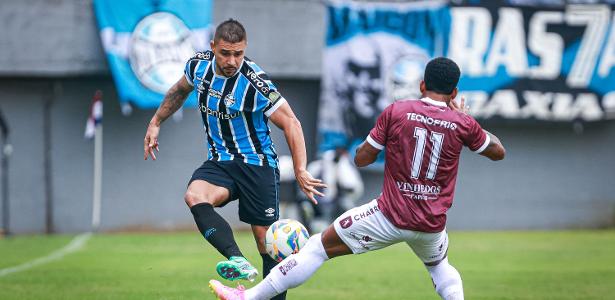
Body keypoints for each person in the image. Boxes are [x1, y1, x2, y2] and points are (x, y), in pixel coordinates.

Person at [209, 57, 506, 300]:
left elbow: (362, 158)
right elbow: (497, 152)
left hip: (389, 216)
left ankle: (246, 298)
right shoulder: (462, 123)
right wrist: (468, 122)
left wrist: (387, 140)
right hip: (431, 225)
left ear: (422, 85)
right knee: (440, 266)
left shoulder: (398, 111)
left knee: (317, 248)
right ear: (454, 93)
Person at [143, 19, 325, 300]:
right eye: (225, 53)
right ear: (212, 47)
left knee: (268, 244)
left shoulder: (255, 82)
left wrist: (300, 169)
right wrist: (156, 122)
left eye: (238, 54)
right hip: (221, 161)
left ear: (245, 49)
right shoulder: (198, 66)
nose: (232, 60)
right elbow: (179, 91)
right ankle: (237, 259)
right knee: (194, 196)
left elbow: (291, 122)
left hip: (258, 165)